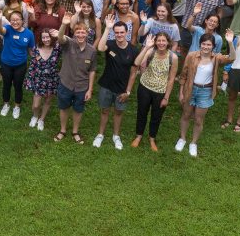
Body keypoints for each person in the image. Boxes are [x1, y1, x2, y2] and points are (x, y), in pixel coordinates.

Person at [175, 33, 233, 158]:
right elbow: (183, 74)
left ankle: (193, 143)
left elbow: (232, 58)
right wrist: (181, 92)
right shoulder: (191, 56)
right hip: (190, 89)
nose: (206, 47)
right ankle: (182, 139)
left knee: (198, 119)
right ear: (200, 44)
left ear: (213, 46)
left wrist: (229, 42)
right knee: (186, 115)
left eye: (209, 44)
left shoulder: (216, 58)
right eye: (204, 44)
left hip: (205, 92)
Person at [93, 18, 139, 151]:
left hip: (122, 89)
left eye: (122, 32)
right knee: (104, 111)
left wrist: (128, 92)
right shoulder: (110, 44)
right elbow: (100, 48)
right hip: (106, 86)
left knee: (118, 112)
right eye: (117, 32)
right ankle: (100, 134)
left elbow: (133, 73)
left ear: (127, 33)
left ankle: (116, 136)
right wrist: (107, 28)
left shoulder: (133, 50)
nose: (119, 35)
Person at [127, 33, 178, 152]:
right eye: (158, 40)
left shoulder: (173, 57)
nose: (161, 43)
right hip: (145, 87)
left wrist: (166, 97)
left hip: (160, 91)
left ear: (168, 42)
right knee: (142, 113)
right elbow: (137, 63)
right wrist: (146, 47)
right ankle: (139, 136)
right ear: (155, 42)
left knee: (156, 116)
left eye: (163, 41)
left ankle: (152, 138)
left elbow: (171, 79)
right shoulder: (150, 52)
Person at [53, 21, 97, 144]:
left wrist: (90, 89)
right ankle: (62, 130)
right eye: (78, 32)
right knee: (64, 107)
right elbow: (60, 37)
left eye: (83, 32)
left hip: (82, 87)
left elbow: (92, 71)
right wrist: (63, 24)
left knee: (78, 110)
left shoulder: (92, 50)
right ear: (74, 33)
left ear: (87, 34)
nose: (81, 35)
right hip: (66, 83)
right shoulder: (68, 44)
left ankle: (75, 132)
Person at [0, 10, 35, 119]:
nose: (15, 22)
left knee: (18, 86)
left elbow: (31, 50)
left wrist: (36, 59)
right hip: (6, 63)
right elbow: (0, 29)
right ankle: (6, 104)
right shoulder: (8, 29)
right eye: (12, 20)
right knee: (6, 85)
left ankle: (17, 106)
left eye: (17, 20)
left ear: (22, 21)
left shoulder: (29, 34)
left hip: (20, 65)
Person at [25, 28, 60, 131]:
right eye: (43, 37)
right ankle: (35, 116)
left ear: (52, 37)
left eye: (48, 37)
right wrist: (30, 80)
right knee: (36, 105)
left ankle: (41, 119)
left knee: (48, 101)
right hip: (38, 79)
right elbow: (33, 65)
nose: (46, 39)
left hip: (52, 79)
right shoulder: (36, 48)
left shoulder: (57, 48)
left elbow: (65, 41)